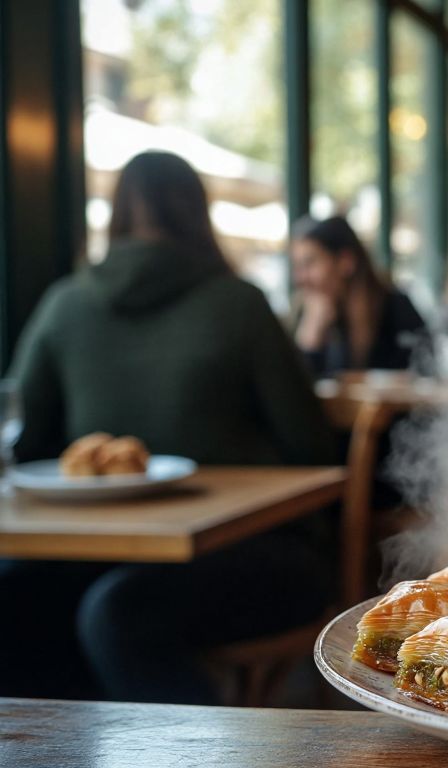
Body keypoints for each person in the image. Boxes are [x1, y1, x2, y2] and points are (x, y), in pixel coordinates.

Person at [2, 151, 339, 703]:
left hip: (102, 558)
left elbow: (26, 441)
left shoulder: (64, 305)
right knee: (118, 613)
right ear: (196, 214)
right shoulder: (241, 304)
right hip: (263, 554)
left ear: (114, 215)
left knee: (23, 599)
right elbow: (311, 446)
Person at [291, 215, 426, 377]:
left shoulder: (394, 308)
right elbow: (294, 392)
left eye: (310, 263)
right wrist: (311, 338)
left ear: (346, 261)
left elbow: (422, 370)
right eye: (297, 266)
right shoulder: (307, 316)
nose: (300, 278)